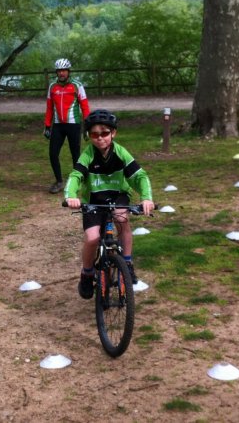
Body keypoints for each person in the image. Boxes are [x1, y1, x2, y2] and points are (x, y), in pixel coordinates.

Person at [64, 109, 155, 299]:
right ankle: (87, 273)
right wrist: (71, 195)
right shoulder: (88, 155)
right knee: (92, 238)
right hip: (94, 201)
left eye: (104, 133)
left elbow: (139, 176)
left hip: (118, 196)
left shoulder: (121, 153)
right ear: (89, 136)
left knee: (122, 219)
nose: (100, 138)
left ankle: (127, 263)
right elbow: (76, 176)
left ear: (113, 133)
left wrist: (146, 198)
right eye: (94, 134)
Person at [44, 58, 90, 194]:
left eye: (64, 70)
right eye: (59, 71)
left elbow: (85, 106)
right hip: (58, 125)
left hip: (73, 124)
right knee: (53, 154)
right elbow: (49, 108)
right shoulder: (52, 87)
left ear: (68, 71)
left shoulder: (77, 85)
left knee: (75, 155)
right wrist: (47, 126)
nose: (61, 73)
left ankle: (77, 182)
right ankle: (59, 182)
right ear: (57, 72)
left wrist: (87, 126)